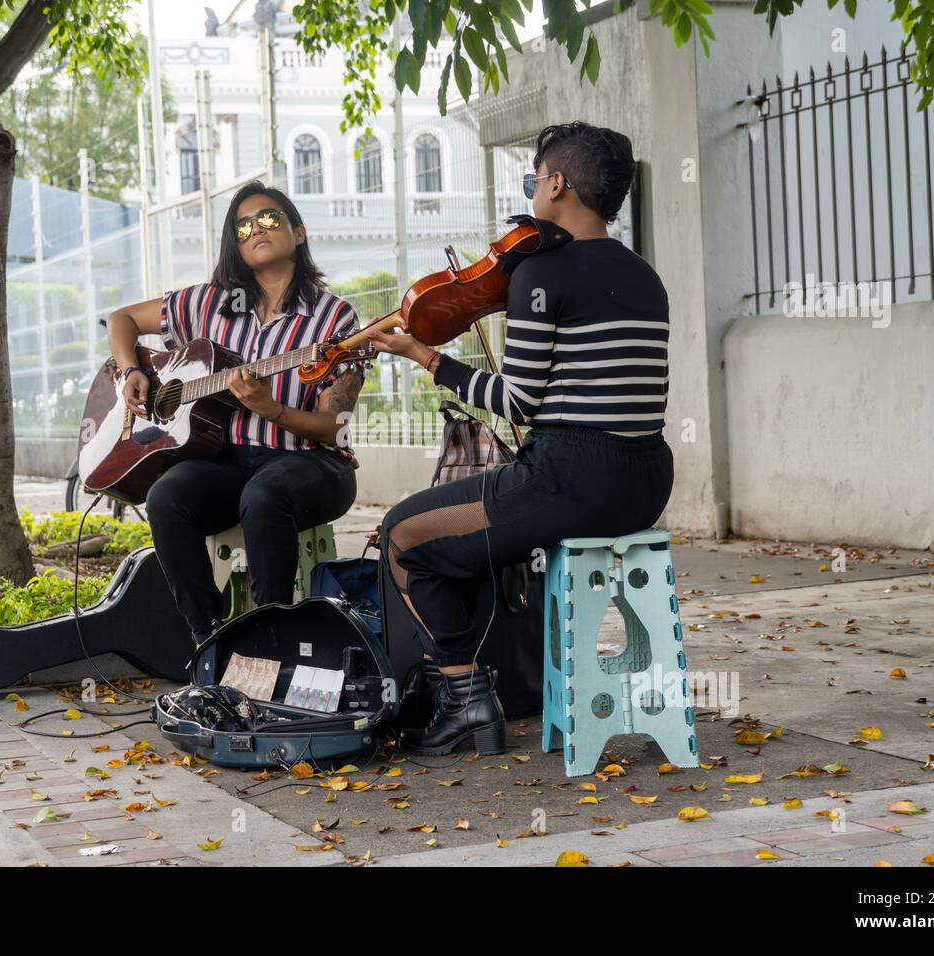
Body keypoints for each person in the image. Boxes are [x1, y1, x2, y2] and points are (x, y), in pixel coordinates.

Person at [367, 122, 674, 756]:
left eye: (536, 177)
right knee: (466, 530)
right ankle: (476, 692)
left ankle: (466, 700)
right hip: (646, 481)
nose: (533, 188)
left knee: (401, 535)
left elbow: (517, 401)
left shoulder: (541, 274)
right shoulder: (646, 275)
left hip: (571, 477)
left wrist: (426, 357)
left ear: (556, 183)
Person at [106, 182, 364, 643]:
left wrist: (272, 409)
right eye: (242, 227)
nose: (255, 230)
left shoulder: (335, 320)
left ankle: (271, 643)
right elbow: (121, 319)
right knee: (167, 496)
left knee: (264, 494)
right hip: (227, 464)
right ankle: (209, 642)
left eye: (269, 219)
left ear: (298, 233)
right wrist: (131, 371)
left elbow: (333, 428)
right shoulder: (207, 303)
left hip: (312, 464)